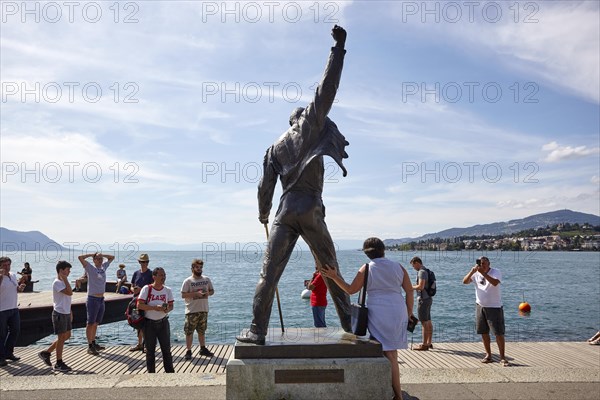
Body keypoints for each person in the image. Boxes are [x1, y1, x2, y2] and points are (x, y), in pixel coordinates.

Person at [237, 25, 352, 345]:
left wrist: (262, 214)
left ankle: (257, 330)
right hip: (310, 208)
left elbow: (264, 187)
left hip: (284, 213)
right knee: (330, 268)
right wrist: (338, 49)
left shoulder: (274, 148)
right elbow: (327, 88)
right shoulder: (309, 126)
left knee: (268, 274)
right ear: (302, 119)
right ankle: (350, 322)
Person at [321, 237, 415, 400]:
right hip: (398, 310)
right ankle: (393, 390)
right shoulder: (398, 267)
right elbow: (409, 291)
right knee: (392, 353)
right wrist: (408, 312)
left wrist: (334, 276)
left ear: (366, 254)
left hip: (379, 312)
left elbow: (350, 290)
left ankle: (397, 395)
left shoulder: (366, 268)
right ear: (383, 250)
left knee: (389, 353)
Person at [462, 256, 510, 366]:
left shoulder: (495, 272)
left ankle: (502, 357)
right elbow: (464, 281)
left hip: (494, 307)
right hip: (480, 306)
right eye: (480, 263)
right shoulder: (476, 273)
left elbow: (494, 283)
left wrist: (483, 273)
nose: (482, 265)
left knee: (498, 333)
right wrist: (471, 272)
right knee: (483, 332)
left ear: (489, 263)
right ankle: (488, 355)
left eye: (484, 263)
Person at [137, 267, 174, 373]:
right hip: (149, 324)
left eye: (164, 275)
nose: (163, 277)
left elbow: (171, 306)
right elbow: (139, 305)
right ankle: (151, 374)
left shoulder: (167, 290)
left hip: (163, 323)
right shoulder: (147, 289)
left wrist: (167, 309)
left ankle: (170, 373)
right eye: (161, 275)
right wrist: (154, 308)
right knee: (150, 351)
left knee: (166, 350)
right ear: (154, 277)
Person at [38, 261, 74, 372]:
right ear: (61, 270)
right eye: (67, 270)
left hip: (66, 312)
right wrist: (65, 279)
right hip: (59, 313)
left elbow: (67, 298)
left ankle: (47, 352)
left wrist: (70, 311)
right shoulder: (57, 282)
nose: (69, 272)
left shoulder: (63, 282)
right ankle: (59, 362)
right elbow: (69, 292)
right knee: (61, 337)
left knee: (67, 335)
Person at [78, 252, 115, 355]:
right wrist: (91, 254)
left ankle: (94, 342)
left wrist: (102, 254)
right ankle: (89, 345)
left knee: (96, 323)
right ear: (93, 260)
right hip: (92, 298)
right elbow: (80, 258)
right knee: (90, 323)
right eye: (97, 259)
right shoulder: (90, 268)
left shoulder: (103, 267)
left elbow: (112, 257)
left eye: (101, 259)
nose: (99, 260)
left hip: (101, 299)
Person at [181, 259, 215, 360]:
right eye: (197, 267)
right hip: (191, 310)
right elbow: (183, 295)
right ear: (192, 268)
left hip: (203, 309)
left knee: (202, 331)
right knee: (189, 331)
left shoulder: (206, 279)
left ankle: (202, 348)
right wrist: (195, 294)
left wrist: (208, 293)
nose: (199, 269)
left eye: (200, 267)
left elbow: (212, 291)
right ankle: (188, 350)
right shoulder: (188, 281)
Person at [0, 256, 26, 367]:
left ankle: (8, 353)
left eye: (8, 265)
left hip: (13, 308)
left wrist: (20, 288)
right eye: (4, 265)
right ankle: (1, 357)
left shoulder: (13, 276)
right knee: (1, 334)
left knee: (15, 330)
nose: (6, 267)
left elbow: (16, 289)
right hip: (1, 310)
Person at [129, 253, 154, 352]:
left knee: (146, 324)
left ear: (148, 262)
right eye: (142, 262)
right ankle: (140, 344)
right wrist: (133, 289)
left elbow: (153, 287)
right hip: (136, 301)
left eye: (145, 262)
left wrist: (141, 290)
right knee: (137, 323)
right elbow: (131, 285)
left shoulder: (151, 274)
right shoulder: (136, 273)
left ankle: (147, 345)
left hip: (146, 302)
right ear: (139, 262)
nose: (144, 264)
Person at [410, 256, 433, 351]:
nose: (413, 268)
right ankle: (429, 342)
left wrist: (410, 287)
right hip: (428, 298)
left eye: (413, 265)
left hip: (423, 299)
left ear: (417, 263)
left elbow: (421, 286)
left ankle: (424, 345)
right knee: (428, 321)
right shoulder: (427, 270)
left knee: (424, 322)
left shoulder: (421, 272)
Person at [308, 263, 328, 327]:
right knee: (321, 321)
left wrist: (313, 277)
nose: (315, 268)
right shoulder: (323, 275)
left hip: (318, 302)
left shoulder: (320, 276)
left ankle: (321, 336)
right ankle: (324, 335)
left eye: (316, 267)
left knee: (319, 324)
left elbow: (310, 287)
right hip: (320, 301)